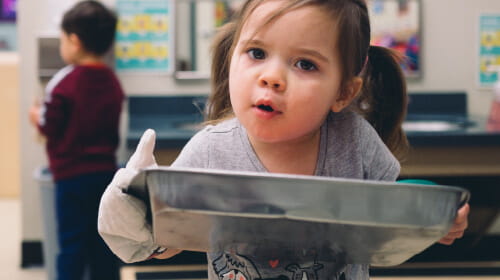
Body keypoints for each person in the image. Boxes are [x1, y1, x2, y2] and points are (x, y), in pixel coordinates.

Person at [98, 0, 469, 279]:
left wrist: (435, 218)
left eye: (305, 64)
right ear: (232, 58)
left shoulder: (354, 143)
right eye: (256, 53)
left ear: (343, 92)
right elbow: (169, 241)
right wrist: (136, 214)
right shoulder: (210, 151)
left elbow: (389, 225)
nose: (271, 77)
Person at [29, 1, 123, 279]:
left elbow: (50, 125)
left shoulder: (64, 81)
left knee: (72, 245)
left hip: (71, 179)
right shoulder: (112, 81)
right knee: (103, 244)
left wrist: (36, 116)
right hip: (106, 176)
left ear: (74, 41)